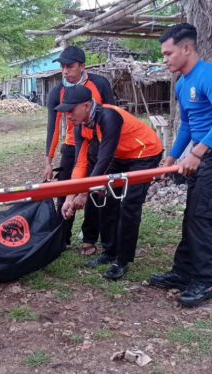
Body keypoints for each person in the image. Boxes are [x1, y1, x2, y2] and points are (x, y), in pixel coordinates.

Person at [148, 23, 212, 307]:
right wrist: (170, 159)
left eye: (168, 53)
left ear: (186, 48)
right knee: (192, 215)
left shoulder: (208, 75)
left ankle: (204, 281)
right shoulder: (181, 84)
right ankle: (182, 272)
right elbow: (188, 126)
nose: (165, 59)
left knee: (202, 218)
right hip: (203, 154)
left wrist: (198, 153)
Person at [58, 85, 163, 279]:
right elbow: (80, 163)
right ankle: (109, 251)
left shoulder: (108, 116)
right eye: (65, 111)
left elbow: (103, 160)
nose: (68, 115)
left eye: (72, 110)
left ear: (87, 105)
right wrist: (69, 197)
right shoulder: (81, 126)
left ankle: (122, 260)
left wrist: (83, 194)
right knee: (104, 199)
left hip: (144, 153)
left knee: (130, 205)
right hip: (120, 156)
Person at [44, 45, 115, 255]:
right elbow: (52, 126)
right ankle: (62, 238)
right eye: (63, 67)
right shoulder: (57, 92)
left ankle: (90, 238)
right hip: (71, 147)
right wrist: (48, 160)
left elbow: (112, 115)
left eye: (70, 66)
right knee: (65, 192)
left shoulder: (100, 84)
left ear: (82, 66)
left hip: (97, 147)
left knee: (94, 192)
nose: (65, 71)